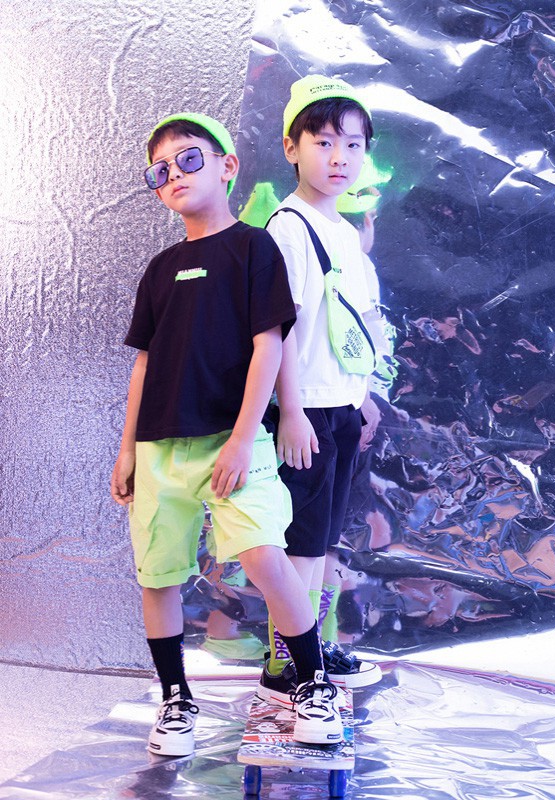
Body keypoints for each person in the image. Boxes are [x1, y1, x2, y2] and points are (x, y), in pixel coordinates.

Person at [110, 112, 343, 757]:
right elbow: (145, 363)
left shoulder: (253, 248)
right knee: (158, 575)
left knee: (265, 555)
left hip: (234, 439)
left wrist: (244, 437)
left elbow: (270, 344)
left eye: (189, 159)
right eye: (160, 171)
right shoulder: (160, 269)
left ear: (227, 166)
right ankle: (175, 700)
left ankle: (312, 683)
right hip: (159, 446)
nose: (174, 176)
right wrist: (127, 449)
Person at [258, 75, 383, 705]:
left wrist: (362, 397)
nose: (340, 157)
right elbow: (277, 329)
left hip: (339, 409)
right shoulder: (288, 227)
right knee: (300, 545)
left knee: (322, 542)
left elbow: (352, 325)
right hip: (302, 411)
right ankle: (286, 663)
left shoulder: (345, 233)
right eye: (325, 142)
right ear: (292, 147)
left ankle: (307, 648)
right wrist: (291, 412)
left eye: (353, 145)